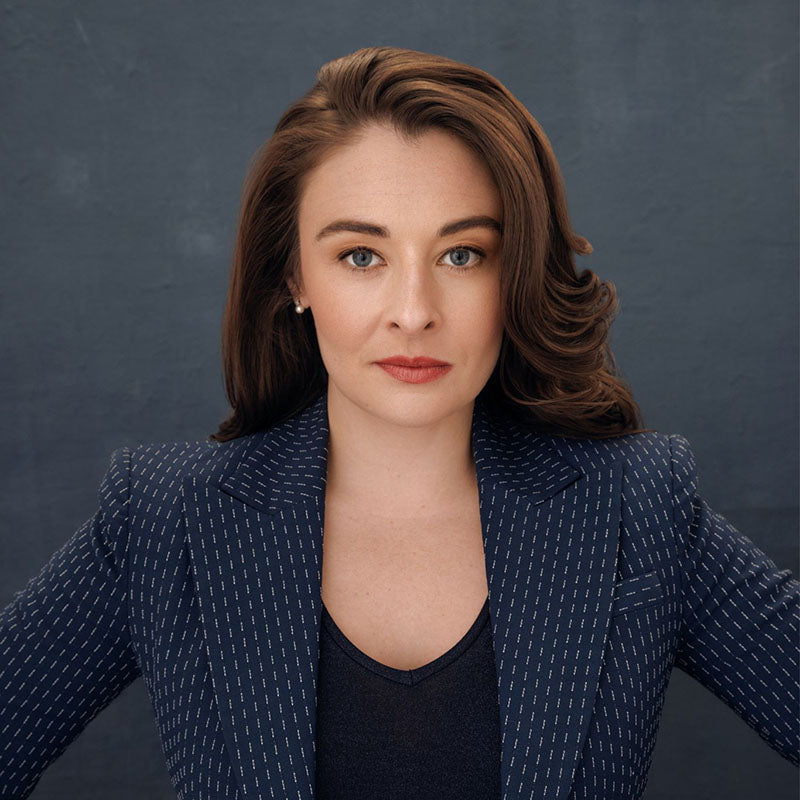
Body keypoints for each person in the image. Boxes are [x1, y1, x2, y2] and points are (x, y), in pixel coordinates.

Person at [0, 45, 797, 800]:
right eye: (360, 256)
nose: (413, 313)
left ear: (513, 272)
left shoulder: (637, 506)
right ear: (293, 275)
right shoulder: (164, 519)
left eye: (462, 255)